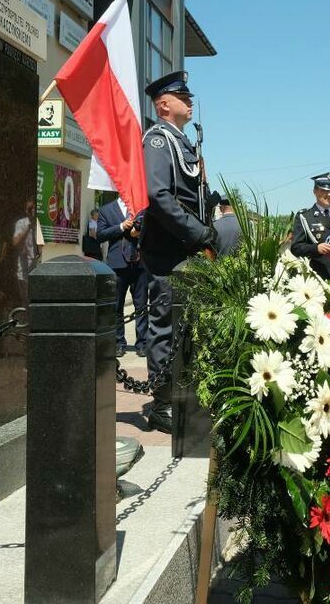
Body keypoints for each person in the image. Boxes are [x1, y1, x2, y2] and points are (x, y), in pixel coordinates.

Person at [140, 70, 218, 433]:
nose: (190, 101)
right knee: (165, 327)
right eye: (182, 97)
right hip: (168, 250)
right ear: (164, 105)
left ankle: (184, 395)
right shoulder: (158, 140)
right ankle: (161, 402)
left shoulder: (186, 143)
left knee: (186, 326)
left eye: (188, 96)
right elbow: (159, 197)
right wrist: (197, 233)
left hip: (187, 249)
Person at [96, 198, 149, 357]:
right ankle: (119, 342)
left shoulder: (142, 207)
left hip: (140, 264)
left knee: (141, 306)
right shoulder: (106, 210)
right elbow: (100, 235)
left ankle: (142, 343)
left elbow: (153, 231)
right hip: (117, 264)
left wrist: (139, 232)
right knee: (116, 306)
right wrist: (120, 227)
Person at [290, 173, 330, 284]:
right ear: (315, 191)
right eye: (324, 190)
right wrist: (316, 248)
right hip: (317, 280)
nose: (329, 194)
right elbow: (296, 248)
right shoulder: (305, 216)